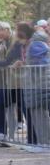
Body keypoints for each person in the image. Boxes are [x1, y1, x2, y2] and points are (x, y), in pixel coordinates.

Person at [21, 22, 50, 152]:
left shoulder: (36, 44)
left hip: (38, 84)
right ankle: (41, 142)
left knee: (40, 114)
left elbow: (42, 63)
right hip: (35, 84)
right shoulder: (35, 44)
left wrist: (26, 66)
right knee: (37, 114)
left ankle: (45, 143)